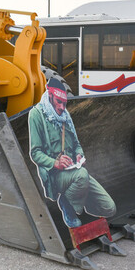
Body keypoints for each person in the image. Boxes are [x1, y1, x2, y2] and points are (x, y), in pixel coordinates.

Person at [28, 77, 116, 228]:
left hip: (73, 171)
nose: (62, 107)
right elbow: (35, 153)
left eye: (64, 103)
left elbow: (76, 144)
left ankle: (76, 197)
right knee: (83, 175)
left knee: (109, 208)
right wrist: (56, 163)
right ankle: (67, 204)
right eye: (58, 102)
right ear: (49, 96)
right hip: (54, 174)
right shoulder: (36, 115)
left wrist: (79, 154)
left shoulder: (65, 116)